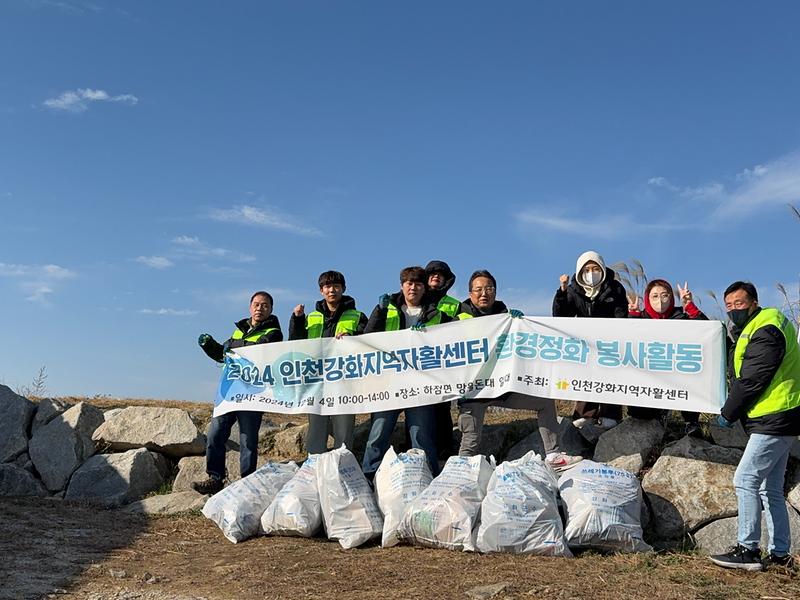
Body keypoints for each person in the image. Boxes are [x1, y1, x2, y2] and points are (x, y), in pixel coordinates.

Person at [709, 282, 800, 571]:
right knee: (769, 489)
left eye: (739, 303)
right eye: (729, 306)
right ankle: (780, 553)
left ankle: (747, 550)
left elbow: (752, 379)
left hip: (775, 417)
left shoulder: (766, 328)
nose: (734, 309)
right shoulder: (757, 325)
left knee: (744, 479)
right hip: (779, 417)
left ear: (754, 301)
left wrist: (727, 413)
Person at [457, 270, 583, 471]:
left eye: (489, 288)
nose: (484, 294)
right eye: (478, 289)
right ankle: (458, 474)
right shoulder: (457, 319)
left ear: (495, 292)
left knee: (544, 402)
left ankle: (554, 455)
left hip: (503, 388)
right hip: (474, 392)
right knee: (469, 443)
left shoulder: (507, 318)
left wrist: (520, 325)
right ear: (470, 293)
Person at [361, 266, 453, 479]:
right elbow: (368, 337)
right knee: (378, 433)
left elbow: (462, 335)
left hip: (420, 386)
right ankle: (368, 476)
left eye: (418, 284)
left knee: (422, 436)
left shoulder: (437, 315)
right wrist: (379, 311)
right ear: (401, 286)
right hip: (388, 384)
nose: (413, 288)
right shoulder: (387, 309)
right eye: (409, 283)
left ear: (424, 288)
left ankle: (427, 476)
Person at [194, 291, 283, 495]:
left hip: (254, 395)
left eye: (265, 305)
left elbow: (256, 351)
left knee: (247, 440)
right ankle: (215, 478)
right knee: (215, 433)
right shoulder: (237, 332)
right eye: (256, 304)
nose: (260, 308)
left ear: (271, 310)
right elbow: (223, 355)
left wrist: (234, 349)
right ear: (250, 307)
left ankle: (246, 483)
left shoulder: (274, 333)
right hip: (231, 394)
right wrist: (209, 346)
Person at [289, 270, 368, 454]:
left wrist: (352, 336)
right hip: (317, 382)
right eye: (327, 286)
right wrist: (297, 320)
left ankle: (344, 467)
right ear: (321, 290)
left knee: (344, 429)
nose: (332, 290)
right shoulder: (312, 317)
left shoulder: (357, 316)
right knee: (316, 427)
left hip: (345, 381)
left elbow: (368, 339)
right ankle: (315, 467)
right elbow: (296, 344)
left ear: (343, 289)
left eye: (336, 286)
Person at [552, 251, 627, 430]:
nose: (591, 273)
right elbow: (562, 316)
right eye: (586, 269)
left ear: (602, 268)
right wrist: (561, 293)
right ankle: (585, 413)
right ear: (579, 272)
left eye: (595, 268)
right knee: (586, 376)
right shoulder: (572, 290)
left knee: (610, 376)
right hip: (584, 344)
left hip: (609, 343)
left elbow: (621, 314)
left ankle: (610, 414)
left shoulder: (614, 288)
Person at [627, 279, 708, 436]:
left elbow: (707, 333)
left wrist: (690, 306)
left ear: (671, 297)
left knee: (688, 379)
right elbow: (629, 339)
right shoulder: (641, 317)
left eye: (665, 295)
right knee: (641, 415)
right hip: (649, 371)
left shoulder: (681, 316)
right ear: (647, 299)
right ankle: (657, 416)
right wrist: (633, 315)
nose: (660, 300)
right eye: (655, 296)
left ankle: (691, 421)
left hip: (677, 370)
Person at [424, 260, 461, 458]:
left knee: (442, 406)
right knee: (417, 407)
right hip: (416, 362)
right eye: (432, 274)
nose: (436, 277)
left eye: (441, 275)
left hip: (443, 362)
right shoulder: (416, 298)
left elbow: (464, 326)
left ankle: (445, 447)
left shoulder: (455, 304)